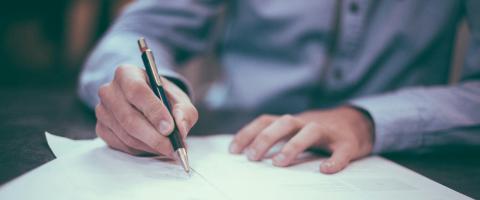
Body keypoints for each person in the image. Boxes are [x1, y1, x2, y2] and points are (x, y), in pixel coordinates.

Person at [78, 0, 480, 174]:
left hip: (408, 158)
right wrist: (139, 87)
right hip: (235, 146)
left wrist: (368, 121)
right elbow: (135, 33)